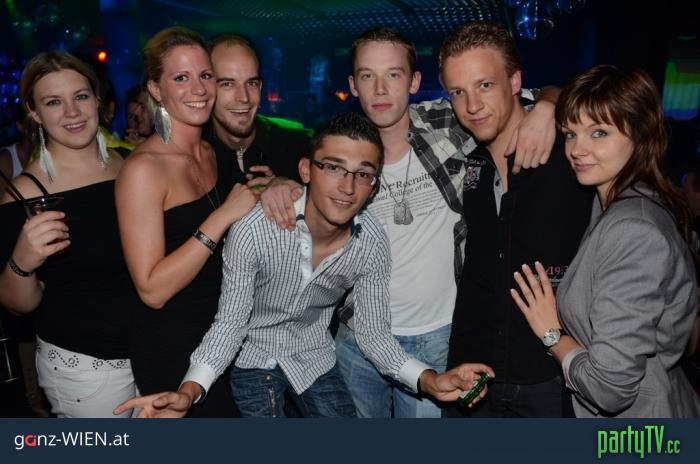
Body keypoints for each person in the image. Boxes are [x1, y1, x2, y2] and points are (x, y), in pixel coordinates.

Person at [259, 27, 559, 418]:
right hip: (358, 337)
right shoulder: (341, 149)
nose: (381, 89)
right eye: (368, 76)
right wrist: (281, 185)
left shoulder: (450, 121)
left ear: (414, 82)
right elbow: (303, 186)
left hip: (436, 336)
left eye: (393, 75)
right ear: (352, 84)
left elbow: (543, 94)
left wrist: (548, 109)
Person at [114, 113, 495, 418]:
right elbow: (229, 325)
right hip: (253, 355)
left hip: (314, 355)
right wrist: (189, 392)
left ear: (375, 186)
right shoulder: (253, 231)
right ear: (306, 170)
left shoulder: (371, 242)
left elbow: (374, 335)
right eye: (333, 167)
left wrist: (429, 381)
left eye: (363, 174)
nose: (347, 186)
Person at [511, 65, 700, 418]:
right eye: (570, 134)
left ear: (640, 135)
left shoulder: (632, 229)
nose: (577, 149)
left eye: (599, 132)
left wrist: (551, 333)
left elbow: (609, 389)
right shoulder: (623, 204)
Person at [440, 22, 594, 417]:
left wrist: (550, 104)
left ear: (515, 82)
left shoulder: (569, 152)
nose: (472, 106)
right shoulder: (469, 160)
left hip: (550, 374)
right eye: (458, 92)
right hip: (475, 371)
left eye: (485, 85)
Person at [115, 27, 256, 418]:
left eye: (205, 75)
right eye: (181, 77)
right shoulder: (144, 170)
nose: (199, 89)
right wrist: (222, 216)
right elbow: (151, 289)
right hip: (174, 349)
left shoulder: (211, 151)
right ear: (156, 89)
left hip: (224, 338)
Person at [0, 51, 136, 418]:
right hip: (87, 371)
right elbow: (18, 304)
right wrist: (23, 260)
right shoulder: (25, 194)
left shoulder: (132, 164)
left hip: (155, 351)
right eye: (53, 102)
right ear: (34, 112)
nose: (72, 112)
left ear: (97, 100)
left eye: (80, 96)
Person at [203, 34, 310, 193]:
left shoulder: (299, 144)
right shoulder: (194, 155)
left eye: (251, 83)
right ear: (207, 88)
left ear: (260, 87)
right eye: (227, 84)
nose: (244, 98)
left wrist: (299, 195)